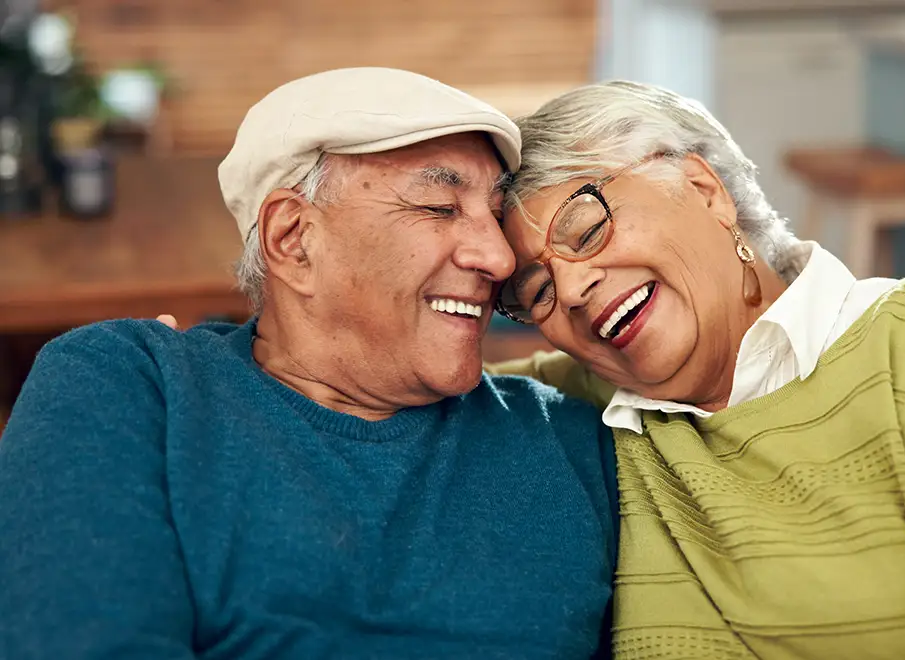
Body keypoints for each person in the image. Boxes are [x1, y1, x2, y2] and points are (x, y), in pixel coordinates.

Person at [0, 68, 618, 660]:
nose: (498, 258)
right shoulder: (132, 387)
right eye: (440, 208)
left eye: (495, 215)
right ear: (293, 239)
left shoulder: (573, 440)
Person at [491, 81, 905, 659]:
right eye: (536, 290)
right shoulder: (569, 404)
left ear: (705, 191)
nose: (573, 288)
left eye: (585, 230)